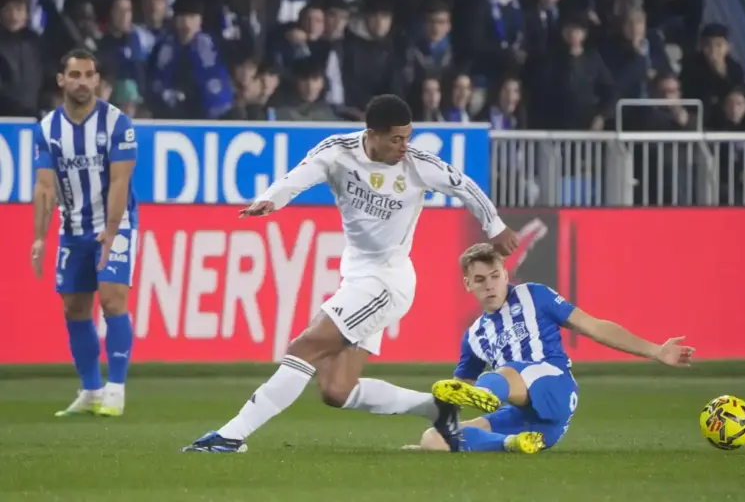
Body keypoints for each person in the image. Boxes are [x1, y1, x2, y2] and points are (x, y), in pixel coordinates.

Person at [182, 94, 520, 453]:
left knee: (305, 346)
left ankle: (231, 436)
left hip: (388, 282)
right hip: (357, 277)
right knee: (336, 390)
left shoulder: (418, 165)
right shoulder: (339, 152)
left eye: (408, 137)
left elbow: (464, 186)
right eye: (396, 139)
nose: (405, 147)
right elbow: (300, 175)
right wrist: (272, 198)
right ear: (371, 134)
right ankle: (438, 408)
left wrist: (494, 227)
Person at [410, 243, 695, 453]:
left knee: (504, 374)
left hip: (555, 387)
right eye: (480, 280)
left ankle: (487, 393)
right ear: (467, 284)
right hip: (533, 423)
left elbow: (594, 326)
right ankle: (511, 444)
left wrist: (656, 350)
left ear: (506, 275)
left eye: (495, 275)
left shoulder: (535, 295)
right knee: (434, 438)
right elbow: (458, 392)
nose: (490, 286)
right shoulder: (473, 336)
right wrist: (441, 419)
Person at [31, 48, 139, 417]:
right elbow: (44, 187)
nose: (82, 81)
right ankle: (91, 389)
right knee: (74, 307)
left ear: (97, 80)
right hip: (73, 226)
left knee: (112, 300)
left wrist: (110, 232)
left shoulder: (117, 123)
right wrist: (39, 237)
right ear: (62, 80)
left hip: (115, 223)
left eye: (89, 74)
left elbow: (120, 182)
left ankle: (116, 388)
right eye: (74, 75)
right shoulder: (47, 129)